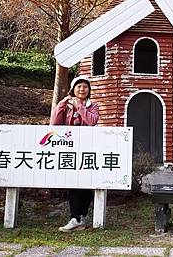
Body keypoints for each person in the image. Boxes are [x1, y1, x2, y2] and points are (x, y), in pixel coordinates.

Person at [50, 75, 100, 232]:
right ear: (73, 89)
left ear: (89, 90)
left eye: (85, 86)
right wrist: (62, 104)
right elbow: (54, 123)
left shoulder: (93, 106)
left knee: (86, 184)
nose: (82, 89)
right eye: (79, 86)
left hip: (87, 147)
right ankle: (75, 218)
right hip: (70, 148)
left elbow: (92, 121)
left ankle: (81, 217)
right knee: (73, 183)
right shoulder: (67, 105)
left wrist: (80, 107)